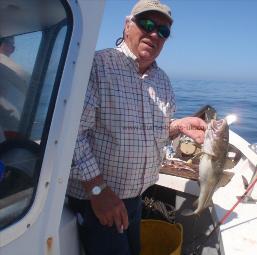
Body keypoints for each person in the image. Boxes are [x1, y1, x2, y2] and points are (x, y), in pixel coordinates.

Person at [66, 1, 207, 255]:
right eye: (148, 24)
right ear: (127, 25)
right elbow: (72, 134)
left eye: (163, 31)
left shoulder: (161, 80)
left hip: (134, 198)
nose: (155, 34)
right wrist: (98, 190)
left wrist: (179, 126)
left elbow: (154, 131)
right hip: (96, 200)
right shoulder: (98, 66)